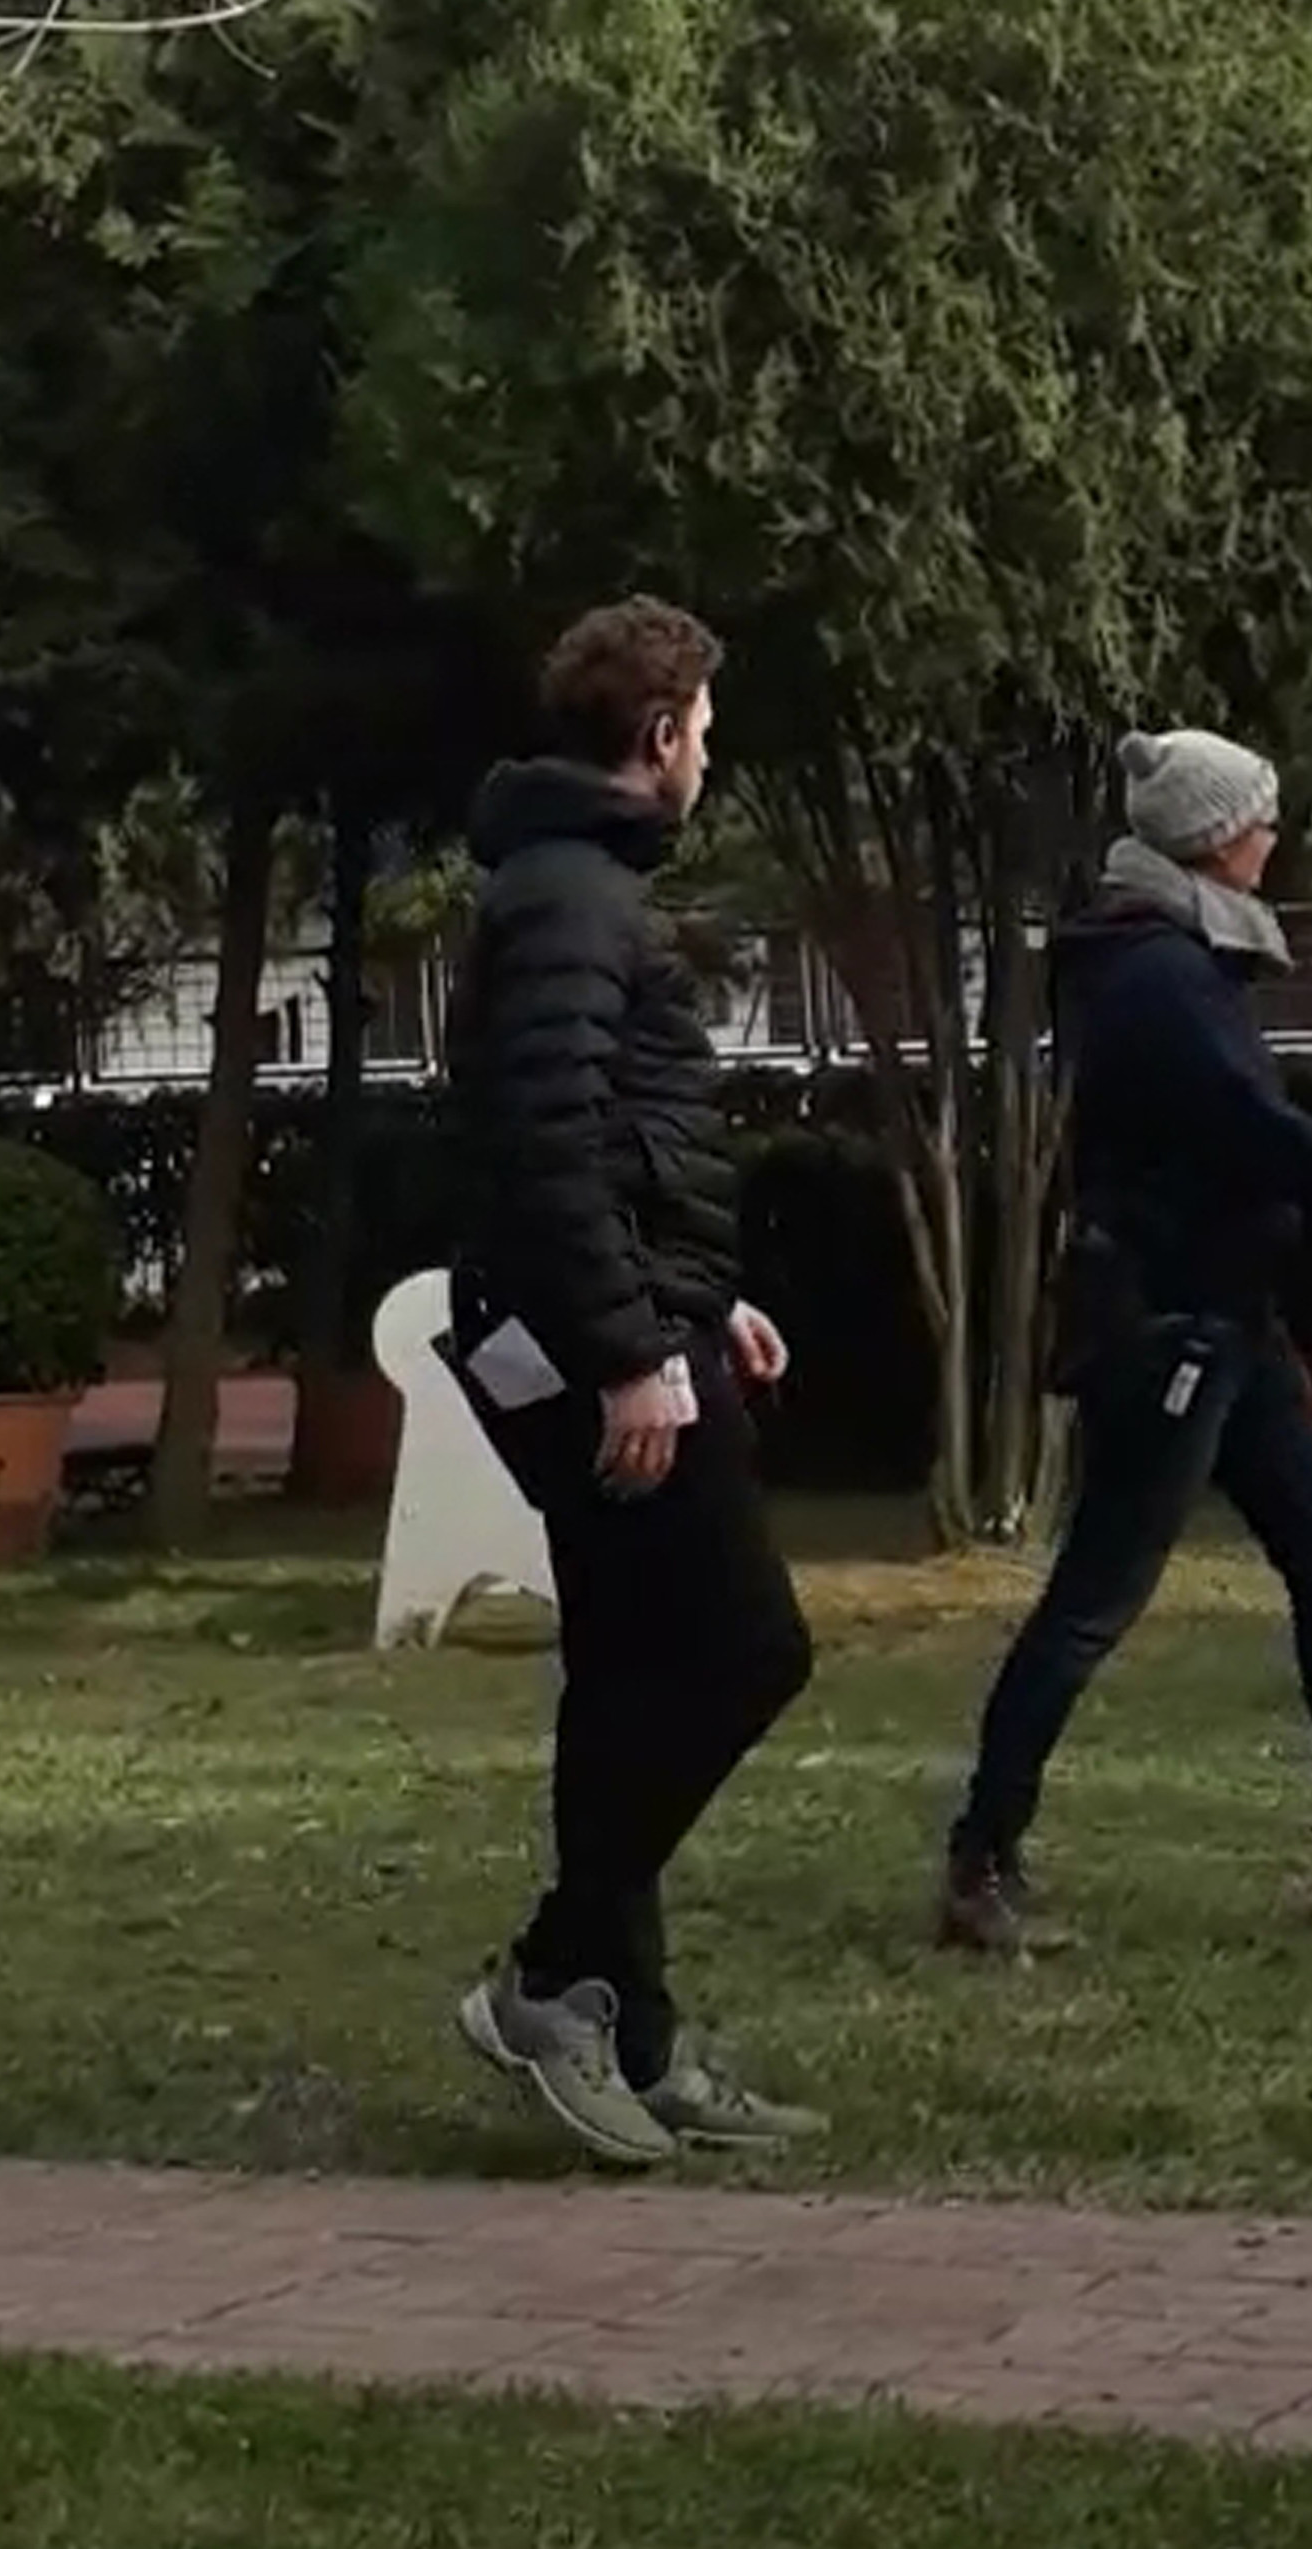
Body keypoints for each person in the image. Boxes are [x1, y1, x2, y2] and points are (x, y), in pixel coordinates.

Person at [936, 726, 1312, 1957]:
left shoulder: (1169, 960)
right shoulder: (1161, 978)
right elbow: (1260, 1139)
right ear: (1219, 836)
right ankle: (978, 1863)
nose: (1276, 837)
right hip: (1171, 1326)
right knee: (1093, 1600)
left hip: (1229, 1314)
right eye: (1263, 818)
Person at [436, 594, 827, 2164]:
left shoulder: (571, 884)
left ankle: (637, 2035)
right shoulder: (571, 898)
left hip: (630, 1326)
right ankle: (552, 1975)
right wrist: (633, 1353)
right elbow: (545, 1148)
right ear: (660, 733)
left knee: (626, 1677)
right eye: (705, 731)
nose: (710, 758)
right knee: (746, 1650)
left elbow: (613, 1142)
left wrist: (702, 1308)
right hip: (596, 1350)